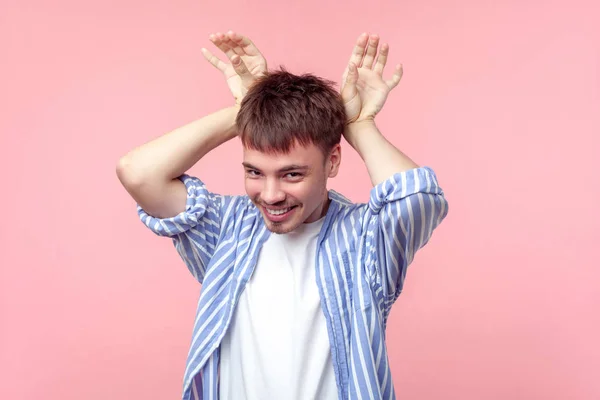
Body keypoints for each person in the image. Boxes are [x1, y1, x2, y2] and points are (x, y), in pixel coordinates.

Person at [117, 30, 449, 400]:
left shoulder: (365, 240)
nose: (271, 195)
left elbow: (415, 198)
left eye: (292, 174)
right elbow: (138, 172)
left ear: (332, 161)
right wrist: (245, 109)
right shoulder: (228, 228)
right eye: (255, 172)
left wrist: (359, 125)